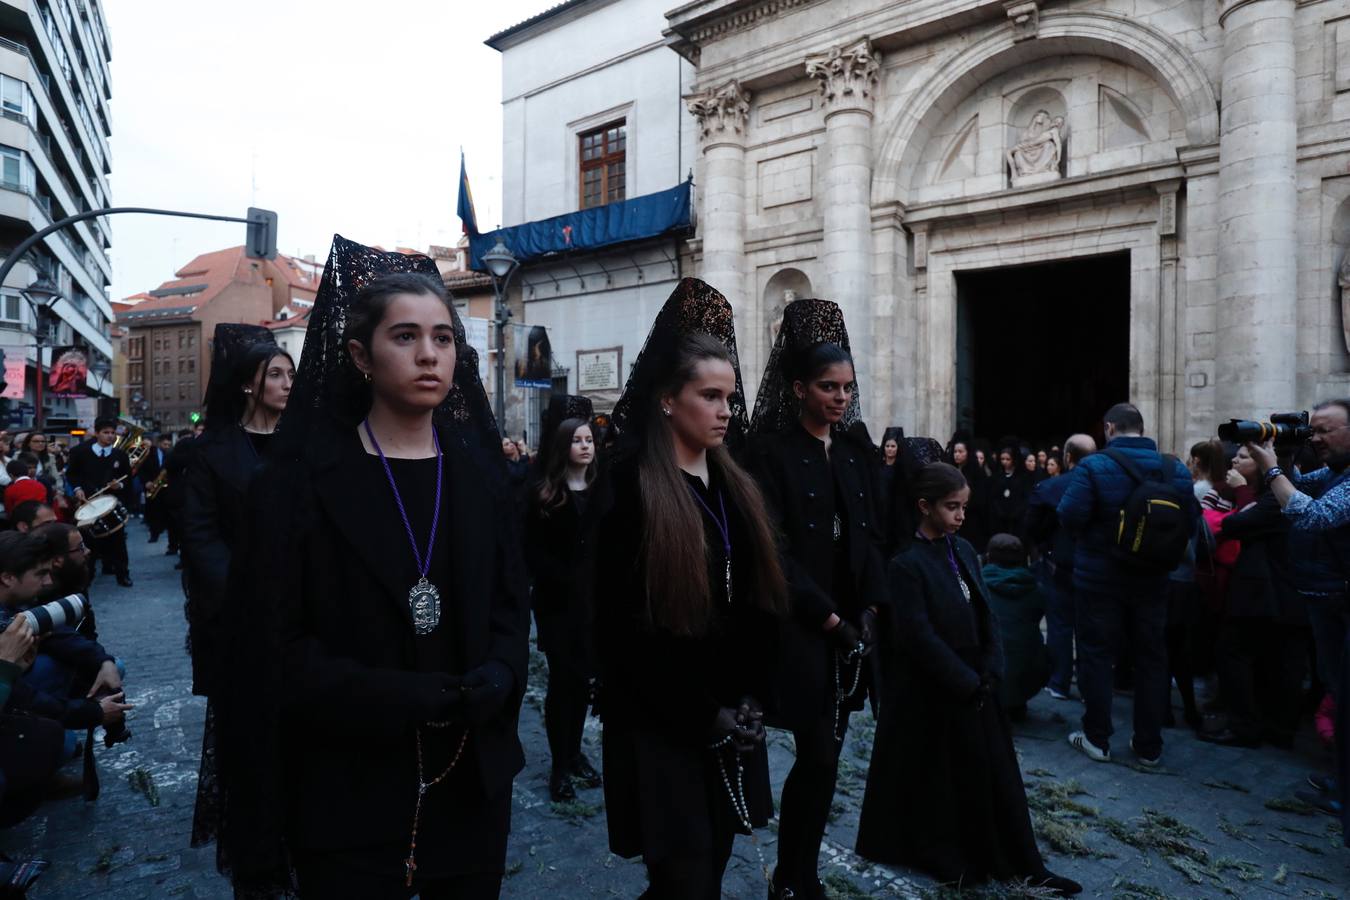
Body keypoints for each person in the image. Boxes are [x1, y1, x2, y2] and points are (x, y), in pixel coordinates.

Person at [220, 239, 528, 897]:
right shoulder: (298, 487)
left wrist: (499, 673)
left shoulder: (482, 477)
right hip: (348, 788)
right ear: (360, 355)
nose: (428, 355)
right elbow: (275, 646)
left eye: (443, 339)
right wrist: (402, 696)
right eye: (407, 336)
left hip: (467, 779)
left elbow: (510, 604)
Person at [596, 278, 788, 899]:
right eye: (709, 396)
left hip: (730, 713)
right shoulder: (630, 490)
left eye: (729, 397)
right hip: (664, 722)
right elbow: (624, 629)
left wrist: (753, 696)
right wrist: (705, 713)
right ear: (667, 401)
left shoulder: (737, 485)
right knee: (684, 875)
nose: (725, 410)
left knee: (713, 858)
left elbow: (757, 603)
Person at [856, 463, 1080, 896]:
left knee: (997, 776)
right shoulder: (906, 564)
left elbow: (984, 610)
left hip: (978, 683)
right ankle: (954, 856)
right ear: (924, 507)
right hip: (939, 690)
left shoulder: (963, 550)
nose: (960, 515)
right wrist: (963, 678)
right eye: (951, 507)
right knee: (944, 780)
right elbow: (917, 635)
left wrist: (994, 664)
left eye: (964, 507)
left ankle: (1019, 859)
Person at [746, 298, 887, 900]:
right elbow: (772, 549)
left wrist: (872, 610)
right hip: (800, 626)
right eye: (828, 387)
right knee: (820, 751)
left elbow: (875, 535)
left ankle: (799, 873)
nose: (840, 398)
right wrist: (827, 618)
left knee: (826, 755)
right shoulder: (769, 452)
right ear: (799, 387)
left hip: (852, 629)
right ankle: (792, 875)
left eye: (848, 388)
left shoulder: (856, 452)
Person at [181, 324, 295, 852]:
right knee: (248, 733)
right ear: (249, 384)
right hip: (241, 618)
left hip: (305, 611)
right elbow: (201, 538)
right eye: (276, 375)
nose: (288, 383)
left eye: (291, 374)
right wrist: (248, 595)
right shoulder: (210, 453)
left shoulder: (305, 446)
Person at [1058, 403, 1194, 766]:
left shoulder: (1094, 466)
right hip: (1153, 578)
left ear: (1109, 428)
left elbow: (1069, 515)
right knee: (1151, 658)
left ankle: (1096, 738)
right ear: (1142, 428)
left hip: (1099, 577)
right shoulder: (1175, 469)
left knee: (1096, 654)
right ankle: (1149, 746)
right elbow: (1190, 524)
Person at [1247, 399, 1350, 832]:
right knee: (1339, 692)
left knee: (1346, 698)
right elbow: (1302, 486)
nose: (1317, 439)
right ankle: (1341, 783)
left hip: (1339, 599)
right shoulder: (1336, 472)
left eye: (1326, 430)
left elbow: (1312, 515)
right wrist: (1284, 456)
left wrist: (1270, 470)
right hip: (1324, 596)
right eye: (1314, 431)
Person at [1197, 442, 1306, 749]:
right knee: (1273, 659)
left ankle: (1247, 726)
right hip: (1269, 590)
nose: (1234, 459)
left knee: (1236, 653)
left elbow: (1237, 523)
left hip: (1264, 590)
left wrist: (1242, 491)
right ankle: (1274, 726)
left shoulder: (1275, 496)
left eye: (1244, 457)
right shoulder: (1270, 493)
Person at [524, 395, 601, 802]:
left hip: (592, 604)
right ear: (563, 446)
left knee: (582, 681)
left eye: (590, 439)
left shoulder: (599, 489)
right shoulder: (544, 493)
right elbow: (534, 553)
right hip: (558, 604)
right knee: (562, 681)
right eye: (578, 440)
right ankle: (560, 762)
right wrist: (566, 579)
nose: (586, 446)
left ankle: (575, 753)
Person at [1024, 435, 1095, 701]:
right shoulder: (1105, 487)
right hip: (1093, 566)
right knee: (1089, 627)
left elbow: (1031, 526)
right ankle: (1090, 686)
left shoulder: (1051, 487)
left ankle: (1060, 681)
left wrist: (1046, 544)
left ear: (1067, 457)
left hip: (1059, 563)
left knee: (1060, 625)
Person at [982, 533, 1051, 720]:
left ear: (989, 556)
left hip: (987, 676)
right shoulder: (1036, 590)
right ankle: (1016, 701)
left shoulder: (975, 587)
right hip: (1025, 674)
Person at [64, 419, 133, 587]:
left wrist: (120, 485)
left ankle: (122, 574)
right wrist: (78, 488)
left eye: (112, 433)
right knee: (89, 541)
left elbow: (129, 478)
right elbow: (72, 474)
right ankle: (88, 574)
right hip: (88, 502)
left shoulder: (120, 455)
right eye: (106, 432)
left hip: (110, 503)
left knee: (118, 540)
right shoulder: (80, 452)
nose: (110, 436)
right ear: (96, 433)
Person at [948, 436, 990, 552]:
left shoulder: (977, 473)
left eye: (960, 452)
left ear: (968, 453)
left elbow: (980, 499)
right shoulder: (950, 471)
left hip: (971, 520)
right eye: (955, 451)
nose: (957, 454)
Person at [989, 446, 1032, 537]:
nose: (1004, 461)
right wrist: (999, 510)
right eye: (1002, 459)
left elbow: (1025, 497)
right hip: (1000, 518)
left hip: (1017, 518)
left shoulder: (1021, 477)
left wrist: (1017, 512)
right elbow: (994, 496)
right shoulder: (997, 476)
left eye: (1008, 459)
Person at [138, 434, 173, 544]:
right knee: (153, 511)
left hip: (166, 488)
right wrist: (146, 482)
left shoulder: (170, 454)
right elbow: (141, 470)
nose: (167, 446)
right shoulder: (148, 453)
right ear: (158, 443)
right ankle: (154, 534)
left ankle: (166, 532)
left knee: (166, 511)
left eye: (168, 445)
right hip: (152, 486)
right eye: (164, 444)